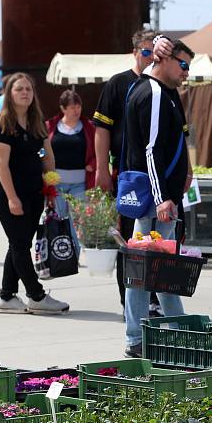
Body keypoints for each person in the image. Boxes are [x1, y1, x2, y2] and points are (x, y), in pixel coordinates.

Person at [122, 40, 195, 358]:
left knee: (162, 267)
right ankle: (138, 338)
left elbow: (177, 137)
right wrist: (163, 197)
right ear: (165, 59)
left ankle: (174, 332)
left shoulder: (167, 94)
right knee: (149, 268)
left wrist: (187, 170)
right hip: (154, 200)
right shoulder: (151, 93)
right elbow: (150, 150)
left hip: (162, 196)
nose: (186, 73)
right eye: (183, 65)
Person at [93, 29, 173, 313]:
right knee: (131, 243)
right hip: (129, 177)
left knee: (160, 243)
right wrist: (102, 169)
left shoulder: (165, 87)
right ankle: (129, 303)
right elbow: (102, 130)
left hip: (160, 179)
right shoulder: (119, 83)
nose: (152, 56)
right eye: (146, 51)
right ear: (136, 52)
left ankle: (154, 300)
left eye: (157, 51)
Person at [0, 72, 69, 315]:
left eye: (28, 89)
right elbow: (1, 165)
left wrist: (50, 181)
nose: (25, 93)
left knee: (19, 243)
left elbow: (44, 154)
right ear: (9, 95)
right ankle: (36, 295)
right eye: (19, 89)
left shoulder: (36, 125)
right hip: (9, 193)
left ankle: (7, 296)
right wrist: (12, 198)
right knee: (19, 244)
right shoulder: (3, 126)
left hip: (35, 192)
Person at [46, 89, 96, 254]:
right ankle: (60, 252)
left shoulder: (88, 127)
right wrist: (43, 165)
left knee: (77, 220)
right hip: (57, 182)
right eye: (72, 107)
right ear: (63, 108)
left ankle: (74, 252)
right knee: (59, 218)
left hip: (80, 183)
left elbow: (99, 150)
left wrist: (93, 164)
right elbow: (41, 150)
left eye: (78, 106)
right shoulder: (51, 126)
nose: (77, 110)